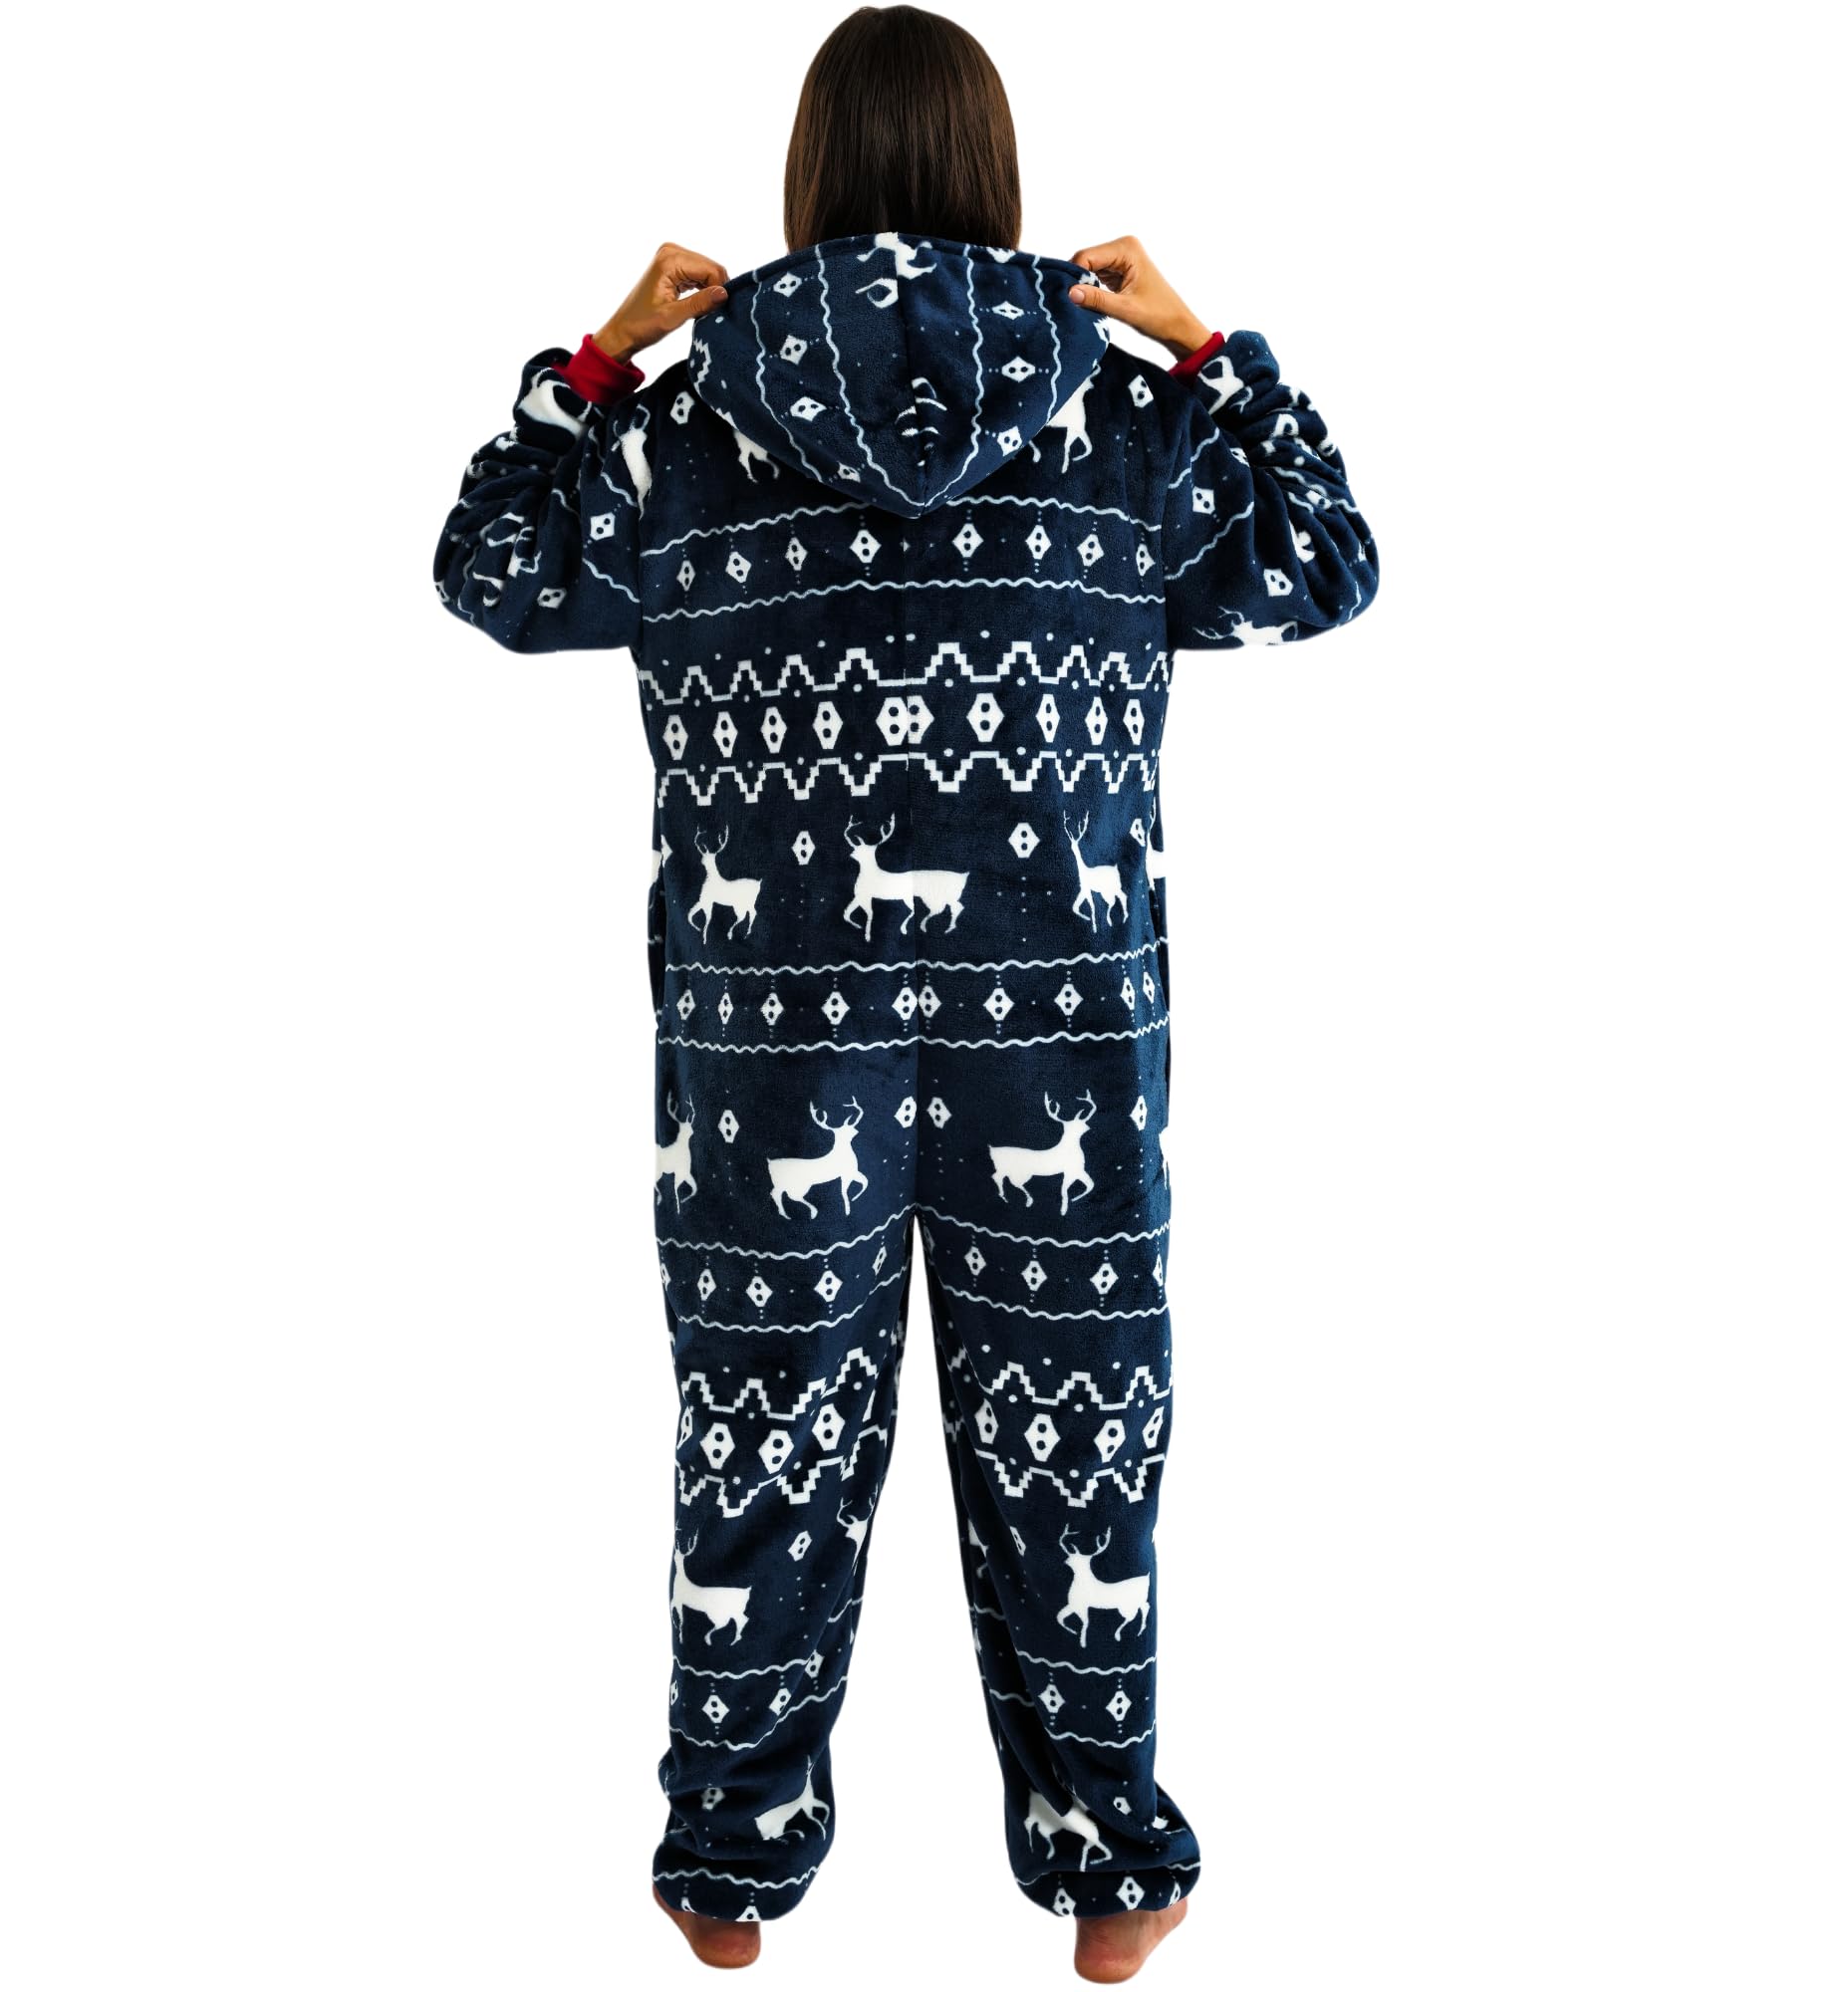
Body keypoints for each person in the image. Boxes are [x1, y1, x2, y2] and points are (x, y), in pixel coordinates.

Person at [431, 6, 1378, 1977]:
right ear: (994, 176)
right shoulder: (1125, 425)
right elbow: (1329, 562)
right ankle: (1114, 1870)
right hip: (1065, 1026)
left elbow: (492, 568)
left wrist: (592, 362)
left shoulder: (686, 431)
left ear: (808, 178)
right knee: (1081, 1441)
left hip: (770, 1051)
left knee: (760, 1433)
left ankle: (726, 1866)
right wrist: (1215, 351)